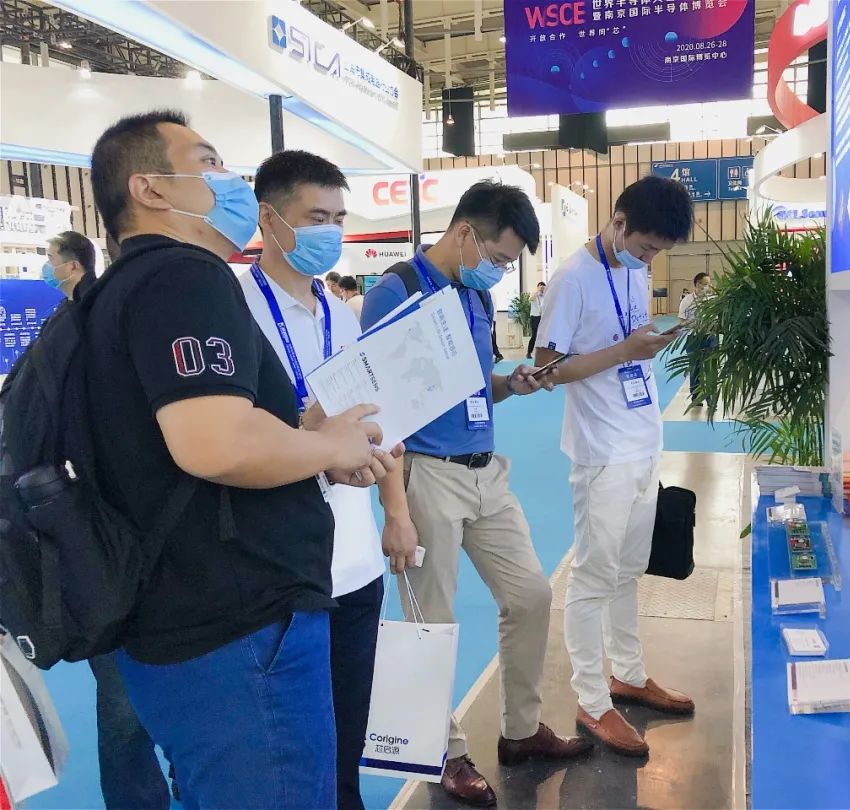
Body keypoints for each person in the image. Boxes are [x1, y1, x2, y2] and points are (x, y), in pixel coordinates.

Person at [85, 109, 398, 808]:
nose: (226, 178)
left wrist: (306, 440)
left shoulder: (121, 288)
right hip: (237, 627)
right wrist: (327, 446)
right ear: (150, 188)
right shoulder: (184, 277)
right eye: (207, 162)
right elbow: (216, 443)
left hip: (181, 617)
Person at [360, 181, 592, 807]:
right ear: (465, 233)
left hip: (488, 471)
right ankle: (443, 753)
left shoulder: (474, 295)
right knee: (430, 621)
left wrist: (510, 384)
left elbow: (469, 386)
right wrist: (396, 509)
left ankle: (521, 730)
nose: (502, 271)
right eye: (500, 257)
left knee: (531, 594)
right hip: (427, 474)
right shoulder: (396, 293)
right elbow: (381, 410)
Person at [241, 150, 405, 810]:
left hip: (356, 562)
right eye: (316, 218)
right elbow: (231, 441)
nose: (331, 233)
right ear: (269, 218)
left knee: (347, 734)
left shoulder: (341, 312)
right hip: (282, 570)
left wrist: (397, 510)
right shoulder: (233, 308)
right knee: (287, 750)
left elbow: (374, 418)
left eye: (338, 219)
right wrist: (310, 438)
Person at [535, 176, 696, 757]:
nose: (649, 260)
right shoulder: (571, 279)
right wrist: (625, 350)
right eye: (647, 247)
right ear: (619, 222)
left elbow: (626, 340)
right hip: (602, 451)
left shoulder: (634, 269)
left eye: (658, 253)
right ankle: (591, 699)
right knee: (594, 578)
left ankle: (628, 674)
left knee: (628, 571)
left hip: (642, 440)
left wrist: (648, 340)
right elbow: (546, 370)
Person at [679, 272, 715, 405]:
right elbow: (682, 321)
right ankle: (696, 398)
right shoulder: (687, 301)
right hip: (693, 339)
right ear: (697, 284)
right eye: (705, 284)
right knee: (695, 369)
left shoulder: (713, 300)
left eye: (709, 284)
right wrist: (695, 325)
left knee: (711, 369)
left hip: (710, 338)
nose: (708, 287)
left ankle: (711, 399)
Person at [42, 230, 96, 302]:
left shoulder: (97, 303)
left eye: (51, 258)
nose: (46, 264)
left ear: (73, 266)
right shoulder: (73, 302)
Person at [525, 281, 546, 359]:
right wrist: (538, 292)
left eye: (543, 286)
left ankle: (541, 353)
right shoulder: (534, 294)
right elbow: (530, 299)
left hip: (542, 317)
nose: (542, 288)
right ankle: (529, 352)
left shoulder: (545, 296)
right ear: (537, 287)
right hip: (535, 317)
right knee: (534, 335)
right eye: (540, 286)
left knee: (542, 336)